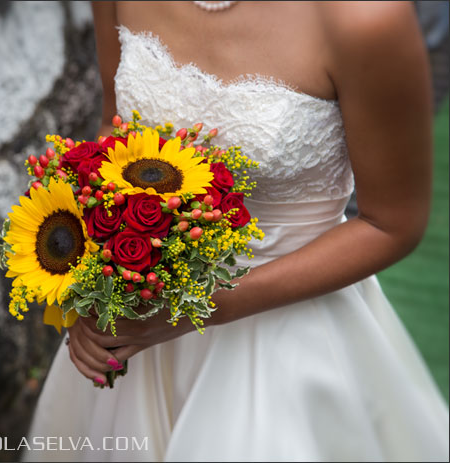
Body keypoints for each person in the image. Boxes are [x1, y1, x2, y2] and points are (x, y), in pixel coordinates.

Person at [25, 2, 449, 461]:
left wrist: (196, 309)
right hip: (138, 326)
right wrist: (91, 292)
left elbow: (391, 225)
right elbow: (116, 131)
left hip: (290, 332)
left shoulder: (365, 18)